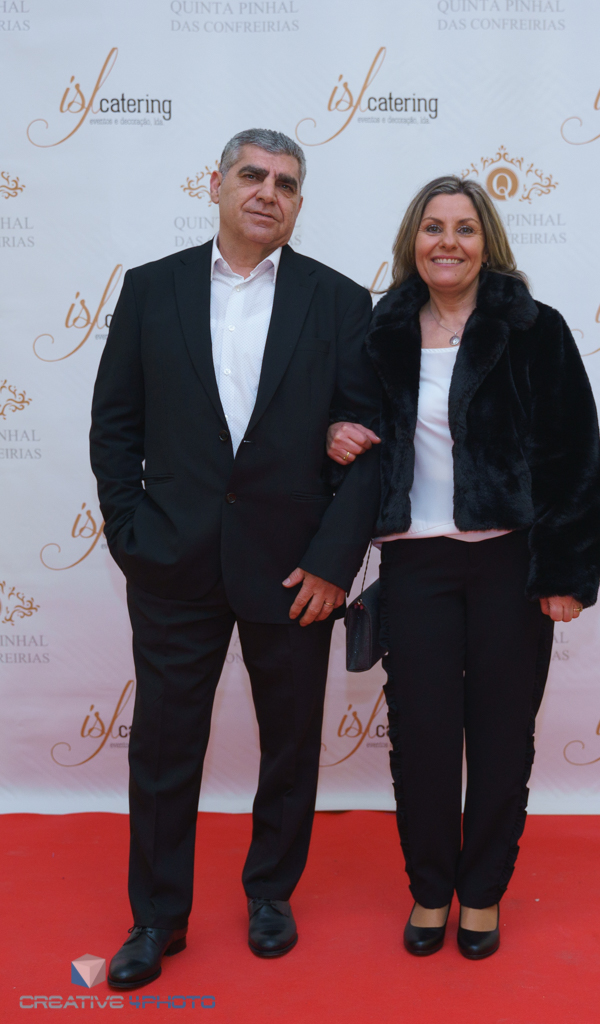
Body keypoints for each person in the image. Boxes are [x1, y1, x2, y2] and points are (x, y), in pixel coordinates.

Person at [90, 128, 379, 988]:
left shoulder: (340, 301)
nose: (267, 192)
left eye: (286, 183)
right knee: (163, 747)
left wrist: (334, 562)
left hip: (295, 572)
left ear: (299, 203)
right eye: (253, 175)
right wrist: (131, 533)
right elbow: (115, 425)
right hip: (171, 562)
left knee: (289, 745)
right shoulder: (151, 289)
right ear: (215, 184)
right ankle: (155, 918)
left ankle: (271, 894)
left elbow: (369, 445)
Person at [327, 175, 600, 959]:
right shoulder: (379, 331)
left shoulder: (533, 328)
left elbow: (575, 457)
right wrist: (332, 433)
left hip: (510, 567)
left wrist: (565, 575)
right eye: (433, 227)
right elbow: (340, 418)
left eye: (464, 228)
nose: (447, 241)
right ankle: (430, 888)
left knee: (501, 739)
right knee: (419, 740)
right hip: (414, 566)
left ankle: (481, 893)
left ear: (488, 243)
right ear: (412, 242)